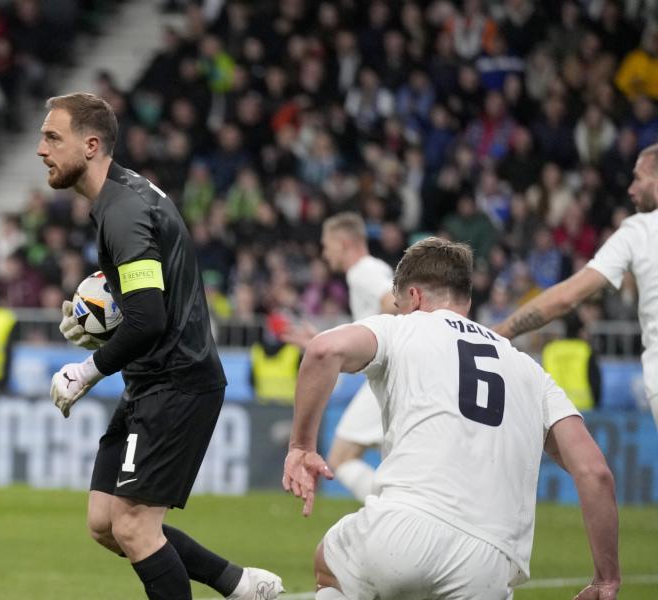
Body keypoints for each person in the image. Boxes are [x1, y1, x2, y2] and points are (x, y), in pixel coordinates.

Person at [41, 92, 282, 600]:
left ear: (90, 145)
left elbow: (149, 319)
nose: (41, 149)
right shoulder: (122, 196)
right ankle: (237, 584)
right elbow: (149, 300)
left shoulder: (123, 209)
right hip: (151, 378)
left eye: (52, 137)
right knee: (106, 523)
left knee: (134, 529)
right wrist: (102, 316)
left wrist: (87, 368)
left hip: (177, 381)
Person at [283, 237, 619, 600]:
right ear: (467, 301)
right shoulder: (530, 371)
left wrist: (301, 445)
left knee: (328, 565)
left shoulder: (402, 327)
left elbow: (323, 349)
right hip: (488, 561)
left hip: (402, 531)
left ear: (412, 297)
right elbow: (594, 473)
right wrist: (606, 579)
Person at [492, 143, 658, 426]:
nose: (631, 189)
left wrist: (499, 332)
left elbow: (566, 297)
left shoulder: (639, 230)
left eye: (639, 178)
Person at [283, 212, 396, 502]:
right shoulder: (377, 267)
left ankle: (390, 510)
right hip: (393, 376)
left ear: (344, 242)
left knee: (341, 457)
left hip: (387, 377)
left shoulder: (361, 271)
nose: (324, 252)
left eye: (326, 244)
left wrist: (381, 343)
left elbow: (393, 304)